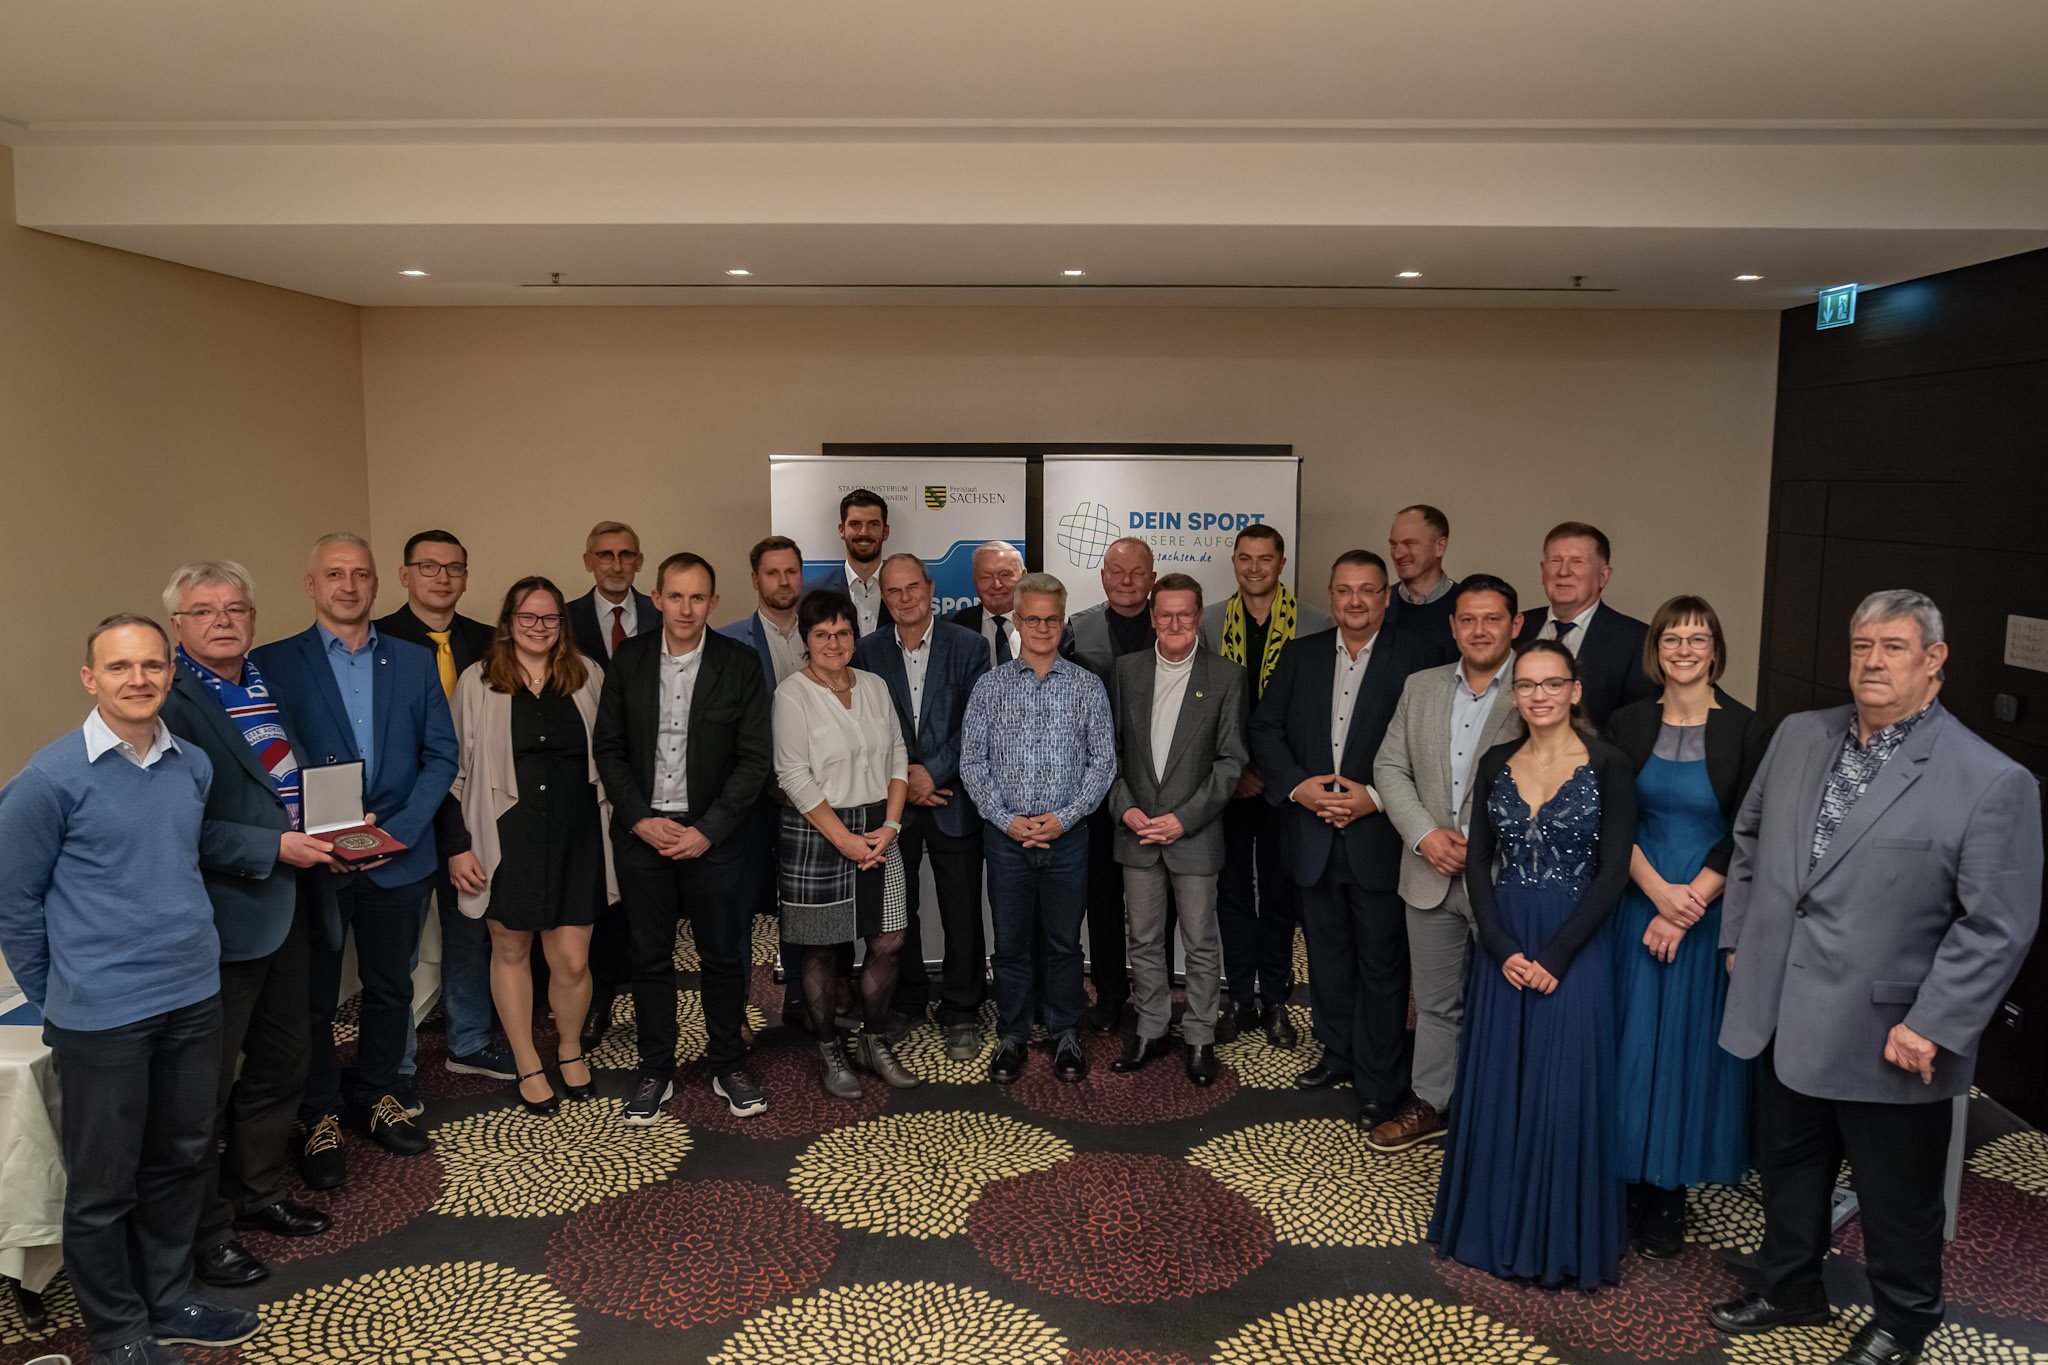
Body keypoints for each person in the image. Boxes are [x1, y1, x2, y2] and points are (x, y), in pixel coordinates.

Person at [1710, 591, 2042, 1365]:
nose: (1872, 661)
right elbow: (1750, 839)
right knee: (1790, 1169)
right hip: (1785, 1009)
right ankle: (1790, 1286)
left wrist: (1934, 1023)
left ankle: (1904, 1322)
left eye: (1893, 646)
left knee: (1898, 1195)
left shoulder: (1989, 778)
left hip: (1892, 1031)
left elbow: (1997, 923)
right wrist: (1741, 940)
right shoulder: (1800, 733)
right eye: (1862, 645)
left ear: (1934, 659)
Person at [0, 613, 261, 1363]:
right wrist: (62, 994)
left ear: (170, 674)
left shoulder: (192, 765)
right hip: (103, 1015)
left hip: (192, 997)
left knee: (182, 1158)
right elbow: (13, 902)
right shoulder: (47, 780)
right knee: (104, 1185)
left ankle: (169, 1298)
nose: (138, 679)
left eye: (151, 665)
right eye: (119, 667)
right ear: (90, 679)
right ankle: (119, 1331)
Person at [1429, 640, 1636, 1289]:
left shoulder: (1609, 763)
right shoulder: (1496, 762)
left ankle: (1555, 1242)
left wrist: (1557, 955)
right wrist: (1499, 945)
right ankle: (1489, 1228)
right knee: (1498, 1081)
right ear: (1515, 695)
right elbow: (1477, 862)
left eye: (1552, 683)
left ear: (1575, 690)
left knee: (1565, 1085)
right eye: (1527, 685)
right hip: (1507, 940)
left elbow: (1613, 871)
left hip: (1577, 941)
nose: (1539, 695)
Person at [252, 532, 456, 1179]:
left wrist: (400, 830)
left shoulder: (414, 660)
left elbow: (442, 756)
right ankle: (318, 1114)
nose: (348, 585)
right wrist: (316, 838)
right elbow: (263, 764)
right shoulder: (271, 662)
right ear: (311, 584)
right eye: (335, 574)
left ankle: (376, 1095)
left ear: (377, 582)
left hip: (398, 858)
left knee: (390, 986)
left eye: (360, 574)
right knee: (312, 996)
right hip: (315, 860)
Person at [159, 563, 333, 1290]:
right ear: (178, 625)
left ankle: (254, 1192)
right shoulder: (167, 699)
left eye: (236, 608)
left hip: (291, 905)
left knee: (282, 1061)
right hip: (222, 917)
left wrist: (336, 826)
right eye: (204, 610)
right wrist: (273, 847)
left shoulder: (265, 682)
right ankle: (205, 1233)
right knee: (201, 1089)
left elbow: (283, 785)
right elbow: (175, 825)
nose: (223, 620)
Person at [1602, 596, 1771, 1256]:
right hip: (1635, 900)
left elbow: (1748, 831)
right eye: (1672, 638)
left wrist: (1686, 907)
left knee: (1685, 1053)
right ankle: (1625, 1183)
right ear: (1656, 649)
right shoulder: (1628, 721)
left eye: (1698, 638)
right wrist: (1656, 894)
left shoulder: (1749, 729)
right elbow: (1611, 817)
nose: (1684, 649)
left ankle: (1669, 1193)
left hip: (1706, 912)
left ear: (1716, 650)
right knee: (1629, 1046)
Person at [1248, 550, 1438, 1127]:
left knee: (1381, 964)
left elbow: (1431, 747)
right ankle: (1337, 1053)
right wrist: (1299, 788)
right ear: (1330, 596)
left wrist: (1375, 797)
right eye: (1344, 590)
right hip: (1311, 835)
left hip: (1380, 836)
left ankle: (1379, 1079)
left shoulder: (1420, 658)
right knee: (1326, 958)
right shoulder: (1300, 655)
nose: (1355, 600)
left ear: (1386, 596)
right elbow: (1265, 728)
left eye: (1368, 590)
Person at [593, 552, 774, 1123]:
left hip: (714, 838)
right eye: (676, 596)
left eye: (698, 597)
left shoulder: (740, 663)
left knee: (722, 955)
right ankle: (656, 1069)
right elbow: (609, 748)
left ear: (713, 602)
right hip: (643, 833)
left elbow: (754, 760)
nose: (686, 608)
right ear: (657, 599)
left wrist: (707, 831)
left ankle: (727, 1063)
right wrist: (639, 819)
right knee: (650, 958)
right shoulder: (629, 658)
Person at [1368, 573, 1526, 1152]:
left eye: (1492, 619)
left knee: (1509, 1001)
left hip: (1505, 878)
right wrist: (1425, 835)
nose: (1479, 630)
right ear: (1453, 626)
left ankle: (1500, 1114)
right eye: (1468, 619)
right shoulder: (1422, 686)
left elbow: (1560, 776)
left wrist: (1479, 843)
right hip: (1428, 872)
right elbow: (1389, 768)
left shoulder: (1535, 688)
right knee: (1435, 1003)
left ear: (1516, 625)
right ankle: (1431, 1101)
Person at [446, 578, 612, 1116]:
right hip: (506, 834)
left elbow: (612, 757)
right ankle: (526, 1060)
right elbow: (454, 772)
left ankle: (569, 1049)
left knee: (572, 958)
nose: (539, 627)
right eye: (527, 617)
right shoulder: (478, 681)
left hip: (578, 834)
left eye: (550, 618)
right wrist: (458, 846)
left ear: (562, 624)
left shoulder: (587, 675)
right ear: (509, 621)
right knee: (511, 949)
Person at [959, 572, 1116, 1086]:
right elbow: (972, 764)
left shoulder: (1087, 686)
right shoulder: (990, 686)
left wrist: (1064, 818)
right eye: (1033, 619)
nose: (1043, 628)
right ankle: (1012, 1033)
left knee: (1065, 943)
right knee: (1010, 944)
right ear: (1017, 621)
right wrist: (1007, 821)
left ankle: (1066, 1030)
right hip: (1006, 840)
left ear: (1064, 621)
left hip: (1068, 838)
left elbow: (1103, 764)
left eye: (1052, 619)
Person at [374, 530, 514, 1083]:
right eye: (428, 566)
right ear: (404, 574)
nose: (442, 577)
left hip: (471, 811)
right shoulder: (376, 640)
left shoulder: (489, 643)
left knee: (469, 930)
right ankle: (396, 1065)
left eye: (454, 567)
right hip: (400, 816)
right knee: (398, 949)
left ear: (466, 576)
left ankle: (470, 1041)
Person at [774, 590, 923, 1096]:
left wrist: (892, 826)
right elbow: (792, 775)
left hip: (880, 829)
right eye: (822, 634)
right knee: (821, 948)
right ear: (806, 639)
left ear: (854, 636)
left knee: (889, 939)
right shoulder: (792, 694)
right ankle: (829, 1050)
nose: (834, 643)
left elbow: (898, 756)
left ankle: (872, 1042)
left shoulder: (875, 685)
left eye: (842, 633)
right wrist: (843, 839)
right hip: (820, 830)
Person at [1105, 574, 1247, 1085]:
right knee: (1142, 939)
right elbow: (1109, 752)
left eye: (1184, 614)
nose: (1174, 623)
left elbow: (1231, 762)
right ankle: (1151, 1028)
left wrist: (1184, 818)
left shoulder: (1227, 676)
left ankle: (1201, 1035)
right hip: (1137, 831)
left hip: (1195, 833)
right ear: (1152, 617)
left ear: (1200, 616)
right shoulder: (1126, 671)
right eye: (1164, 614)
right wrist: (1124, 809)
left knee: (1201, 942)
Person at [856, 553, 992, 1061]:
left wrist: (931, 774)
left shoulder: (969, 645)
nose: (904, 598)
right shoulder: (867, 650)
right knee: (898, 911)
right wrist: (906, 780)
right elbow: (866, 727)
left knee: (962, 911)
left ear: (930, 589)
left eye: (912, 587)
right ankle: (908, 999)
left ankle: (962, 1009)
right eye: (893, 591)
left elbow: (977, 721)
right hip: (895, 804)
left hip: (952, 797)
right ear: (884, 598)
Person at [1204, 524, 1329, 1047]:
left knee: (1278, 897)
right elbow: (1202, 710)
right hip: (1227, 786)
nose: (1254, 568)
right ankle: (1239, 998)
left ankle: (1276, 1000)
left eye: (1265, 559)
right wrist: (1233, 772)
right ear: (1234, 562)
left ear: (1281, 563)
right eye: (1245, 558)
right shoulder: (1209, 622)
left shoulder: (1315, 624)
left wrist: (1275, 773)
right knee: (1231, 896)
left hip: (1286, 788)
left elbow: (1315, 716)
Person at [1061, 536, 1158, 1033]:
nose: (1126, 581)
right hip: (1095, 790)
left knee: (1156, 904)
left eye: (1137, 572)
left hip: (1159, 786)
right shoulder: (1076, 629)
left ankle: (1154, 996)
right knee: (1101, 898)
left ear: (1152, 578)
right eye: (1116, 571)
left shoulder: (1172, 623)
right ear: (1102, 577)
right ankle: (1109, 993)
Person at [721, 535, 813, 1035]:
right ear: (755, 579)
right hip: (751, 800)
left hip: (812, 798)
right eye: (773, 573)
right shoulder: (728, 641)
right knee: (739, 911)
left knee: (806, 907)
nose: (783, 581)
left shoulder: (826, 634)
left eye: (791, 571)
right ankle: (733, 1013)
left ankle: (804, 999)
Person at [1513, 521, 1655, 728]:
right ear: (1543, 570)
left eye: (1577, 562)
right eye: (1555, 561)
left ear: (1603, 576)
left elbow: (1639, 727)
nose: (1563, 571)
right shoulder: (1516, 629)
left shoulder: (1637, 641)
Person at [803, 489, 894, 637]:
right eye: (855, 524)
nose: (864, 532)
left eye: (873, 524)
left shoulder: (904, 593)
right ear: (842, 530)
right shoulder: (813, 593)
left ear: (885, 532)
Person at [568, 520, 658, 664]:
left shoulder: (662, 614)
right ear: (588, 561)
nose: (617, 567)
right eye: (605, 555)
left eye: (626, 555)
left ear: (639, 562)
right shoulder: (566, 618)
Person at [1382, 504, 1458, 654]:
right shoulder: (1380, 605)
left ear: (1440, 547)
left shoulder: (1466, 608)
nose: (1398, 554)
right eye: (1393, 544)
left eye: (1409, 543)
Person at [949, 539, 1025, 667]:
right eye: (986, 577)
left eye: (1005, 575)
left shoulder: (1050, 626)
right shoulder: (953, 626)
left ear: (1023, 576)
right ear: (974, 580)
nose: (997, 585)